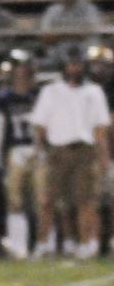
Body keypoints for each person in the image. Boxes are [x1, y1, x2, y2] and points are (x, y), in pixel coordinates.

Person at [31, 45, 111, 259]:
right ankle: (43, 243)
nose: (75, 68)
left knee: (86, 201)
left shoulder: (93, 91)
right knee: (49, 201)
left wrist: (103, 158)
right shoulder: (51, 91)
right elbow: (40, 125)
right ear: (64, 67)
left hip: (85, 151)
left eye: (78, 64)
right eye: (71, 64)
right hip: (57, 150)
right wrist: (41, 151)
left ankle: (87, 244)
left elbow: (100, 128)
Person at [0, 49, 41, 259]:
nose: (20, 72)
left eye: (23, 67)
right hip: (15, 150)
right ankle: (20, 246)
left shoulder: (39, 95)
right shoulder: (4, 99)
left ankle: (46, 244)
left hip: (38, 151)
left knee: (41, 199)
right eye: (17, 67)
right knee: (15, 201)